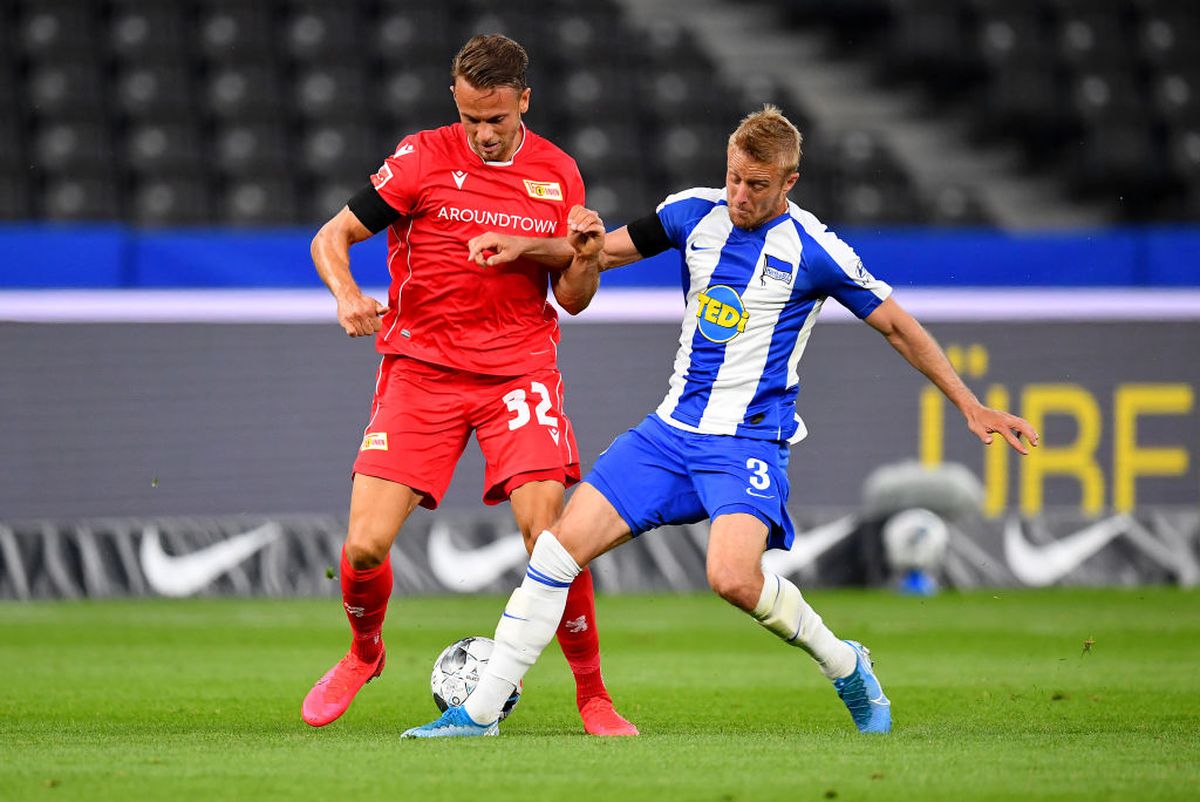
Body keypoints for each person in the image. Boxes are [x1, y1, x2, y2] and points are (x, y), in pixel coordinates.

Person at [401, 105, 1040, 738]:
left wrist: (969, 403)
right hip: (669, 435)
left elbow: (897, 325)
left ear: (788, 183)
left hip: (747, 442)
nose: (739, 194)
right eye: (734, 177)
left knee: (732, 578)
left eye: (756, 185)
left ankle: (846, 664)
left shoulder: (814, 249)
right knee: (556, 551)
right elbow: (599, 251)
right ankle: (480, 713)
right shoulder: (692, 212)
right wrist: (535, 247)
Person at [301, 34, 637, 737]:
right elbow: (331, 237)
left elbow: (573, 297)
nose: (483, 134)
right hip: (421, 370)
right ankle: (365, 653)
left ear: (524, 101)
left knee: (549, 536)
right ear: (454, 100)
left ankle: (593, 695)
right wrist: (345, 294)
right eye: (470, 118)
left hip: (518, 370)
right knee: (364, 545)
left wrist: (582, 254)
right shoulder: (420, 158)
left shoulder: (557, 174)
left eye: (497, 120)